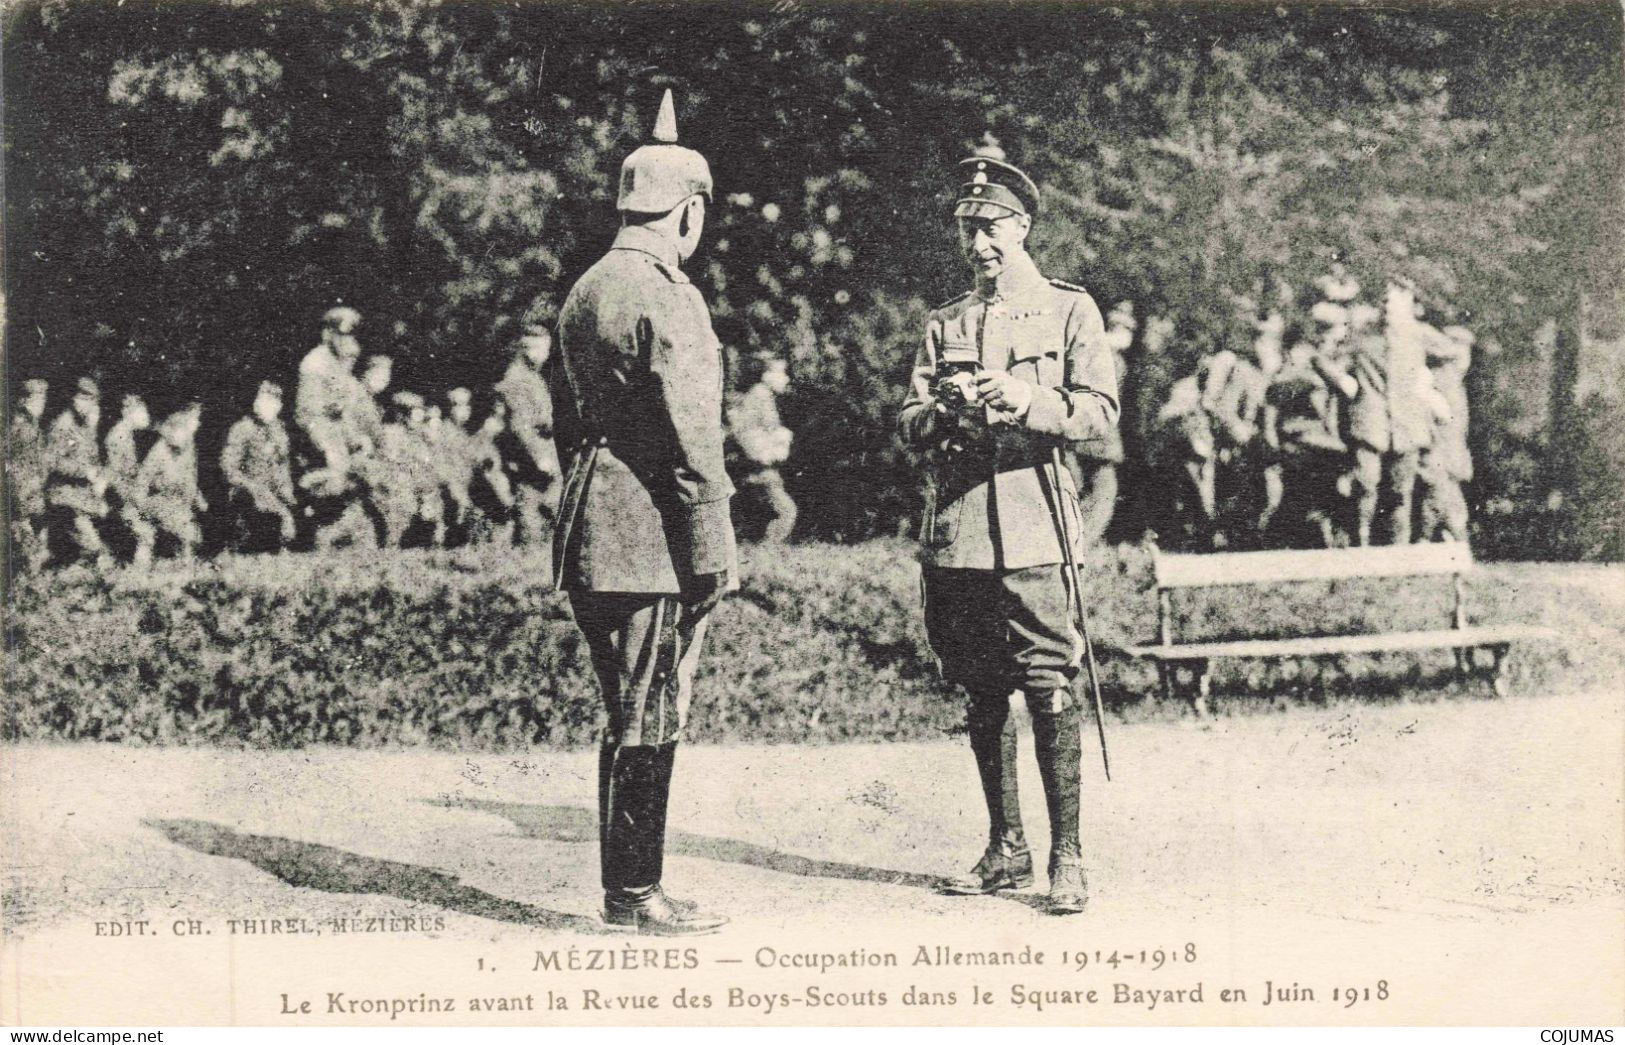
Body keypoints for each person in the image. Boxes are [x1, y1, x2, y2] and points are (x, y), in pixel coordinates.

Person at [896, 144, 1118, 914]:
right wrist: (941, 412)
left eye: (992, 227)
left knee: (1048, 682)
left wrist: (1024, 398)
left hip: (1034, 529)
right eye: (967, 230)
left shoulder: (1067, 309)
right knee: (981, 691)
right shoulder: (945, 320)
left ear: (1022, 226)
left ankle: (1067, 857)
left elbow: (1098, 413)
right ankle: (1005, 847)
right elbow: (908, 420)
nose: (979, 244)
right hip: (959, 533)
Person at [552, 89, 736, 934]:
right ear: (688, 211)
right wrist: (713, 550)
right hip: (654, 531)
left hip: (592, 524)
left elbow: (563, 424)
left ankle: (625, 889)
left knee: (623, 705)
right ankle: (635, 892)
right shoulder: (670, 294)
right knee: (654, 705)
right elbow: (694, 439)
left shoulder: (584, 290)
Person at [1065, 300, 1133, 546]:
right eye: (1123, 329)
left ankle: (1075, 547)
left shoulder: (1085, 351)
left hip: (1079, 437)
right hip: (1099, 439)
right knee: (1102, 495)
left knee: (1083, 494)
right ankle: (1079, 548)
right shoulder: (1111, 359)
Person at [495, 325, 563, 546]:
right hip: (531, 461)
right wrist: (540, 458)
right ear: (529, 350)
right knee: (531, 515)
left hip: (541, 456)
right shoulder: (517, 380)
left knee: (543, 514)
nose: (546, 354)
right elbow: (520, 425)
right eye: (544, 349)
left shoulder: (532, 377)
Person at [727, 353, 798, 543]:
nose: (786, 378)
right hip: (759, 467)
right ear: (766, 375)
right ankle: (768, 550)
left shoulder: (759, 395)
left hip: (755, 466)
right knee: (787, 512)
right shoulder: (761, 396)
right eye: (781, 373)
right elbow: (753, 433)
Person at [220, 381, 297, 552]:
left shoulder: (279, 431)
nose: (269, 406)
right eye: (264, 400)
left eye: (274, 402)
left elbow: (282, 466)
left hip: (273, 494)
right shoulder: (242, 429)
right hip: (249, 494)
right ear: (256, 402)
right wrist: (254, 488)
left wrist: (287, 494)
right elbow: (229, 469)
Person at [294, 306, 365, 488]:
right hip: (316, 425)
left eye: (351, 335)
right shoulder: (315, 363)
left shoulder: (346, 357)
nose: (347, 341)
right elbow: (310, 410)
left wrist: (355, 437)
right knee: (337, 467)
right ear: (328, 334)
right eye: (342, 335)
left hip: (339, 424)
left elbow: (350, 401)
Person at [44, 376, 110, 567]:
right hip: (62, 491)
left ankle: (86, 552)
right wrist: (84, 471)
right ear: (74, 400)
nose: (88, 406)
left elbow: (93, 459)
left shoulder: (85, 427)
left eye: (92, 402)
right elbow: (53, 461)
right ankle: (92, 552)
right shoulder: (64, 426)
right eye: (83, 400)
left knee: (102, 511)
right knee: (86, 530)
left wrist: (99, 477)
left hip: (80, 491)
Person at [1417, 325, 1474, 543]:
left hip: (1450, 457)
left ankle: (1446, 548)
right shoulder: (1440, 382)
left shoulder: (1454, 383)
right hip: (1439, 455)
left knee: (1443, 505)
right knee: (1441, 505)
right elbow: (1440, 421)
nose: (1465, 358)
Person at [130, 403, 206, 564]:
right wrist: (141, 508)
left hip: (177, 500)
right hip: (156, 500)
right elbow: (143, 480)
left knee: (192, 533)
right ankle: (145, 563)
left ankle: (186, 561)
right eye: (179, 431)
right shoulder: (159, 451)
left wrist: (197, 498)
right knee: (183, 528)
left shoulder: (189, 447)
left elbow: (189, 477)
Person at [102, 394, 153, 562]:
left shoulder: (125, 433)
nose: (146, 415)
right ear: (129, 413)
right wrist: (136, 497)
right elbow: (117, 474)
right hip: (120, 494)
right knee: (145, 532)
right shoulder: (119, 436)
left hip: (125, 491)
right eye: (142, 411)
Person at [8, 379, 51, 572]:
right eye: (39, 398)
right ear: (26, 400)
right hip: (24, 485)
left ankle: (34, 560)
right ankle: (32, 563)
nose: (43, 403)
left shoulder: (29, 423)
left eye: (44, 398)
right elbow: (16, 461)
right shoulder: (24, 426)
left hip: (30, 484)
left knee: (35, 522)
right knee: (28, 522)